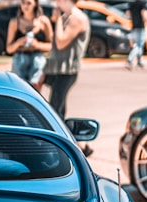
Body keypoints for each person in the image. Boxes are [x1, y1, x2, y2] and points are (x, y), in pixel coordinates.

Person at [44, 0, 92, 156]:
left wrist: (58, 19)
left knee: (55, 109)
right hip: (57, 69)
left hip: (67, 71)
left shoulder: (77, 18)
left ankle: (70, 146)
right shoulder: (67, 17)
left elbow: (61, 41)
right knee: (57, 108)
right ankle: (78, 145)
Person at [6, 0, 53, 90]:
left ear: (35, 3)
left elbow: (51, 46)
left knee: (35, 91)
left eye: (29, 3)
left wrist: (37, 44)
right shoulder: (15, 22)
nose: (25, 6)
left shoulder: (43, 21)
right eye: (23, 3)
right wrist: (19, 42)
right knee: (19, 89)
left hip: (37, 58)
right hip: (20, 59)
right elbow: (9, 49)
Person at [125, 0, 147, 70]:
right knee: (139, 45)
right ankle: (129, 60)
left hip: (134, 26)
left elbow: (128, 14)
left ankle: (139, 62)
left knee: (138, 45)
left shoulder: (131, 3)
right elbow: (144, 13)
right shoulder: (142, 3)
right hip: (140, 27)